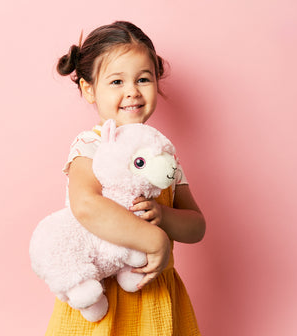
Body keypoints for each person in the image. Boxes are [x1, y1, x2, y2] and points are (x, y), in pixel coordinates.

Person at [45, 21, 206, 335]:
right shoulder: (90, 147)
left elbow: (196, 225)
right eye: (116, 81)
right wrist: (153, 239)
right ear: (89, 89)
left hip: (154, 294)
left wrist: (163, 217)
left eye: (143, 79)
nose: (132, 91)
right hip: (101, 299)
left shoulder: (162, 157)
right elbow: (87, 206)